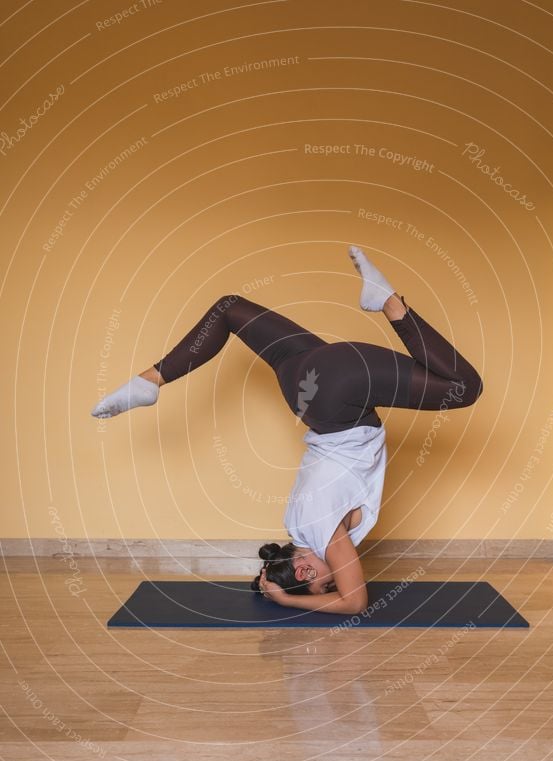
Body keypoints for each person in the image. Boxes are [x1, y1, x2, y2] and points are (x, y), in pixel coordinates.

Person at [91, 246, 483, 616]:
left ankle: (387, 300)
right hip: (301, 382)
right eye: (332, 586)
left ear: (306, 573)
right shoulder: (295, 521)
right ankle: (151, 379)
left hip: (339, 393)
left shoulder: (322, 535)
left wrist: (287, 602)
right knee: (230, 309)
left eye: (323, 587)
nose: (335, 583)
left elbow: (355, 602)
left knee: (464, 388)